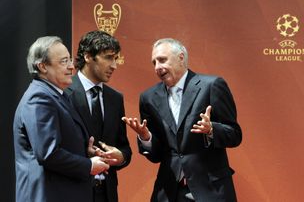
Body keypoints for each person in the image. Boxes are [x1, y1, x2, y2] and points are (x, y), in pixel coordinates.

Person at [122, 38, 242, 202]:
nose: (157, 67)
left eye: (162, 60)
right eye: (154, 62)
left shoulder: (211, 85)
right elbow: (156, 155)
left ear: (180, 58)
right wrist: (146, 138)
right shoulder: (148, 98)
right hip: (169, 192)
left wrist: (211, 129)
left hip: (209, 190)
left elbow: (235, 135)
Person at [13, 36, 110, 202]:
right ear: (42, 66)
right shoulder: (39, 98)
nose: (72, 67)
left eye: (70, 60)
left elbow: (57, 144)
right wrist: (89, 165)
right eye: (64, 61)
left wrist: (85, 152)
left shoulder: (56, 95)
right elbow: (48, 154)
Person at [64, 30, 132, 202]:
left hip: (107, 194)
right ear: (88, 56)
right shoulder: (63, 94)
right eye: (109, 57)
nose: (114, 65)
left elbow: (124, 148)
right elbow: (55, 149)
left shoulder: (115, 98)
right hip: (73, 191)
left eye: (115, 58)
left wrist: (121, 157)